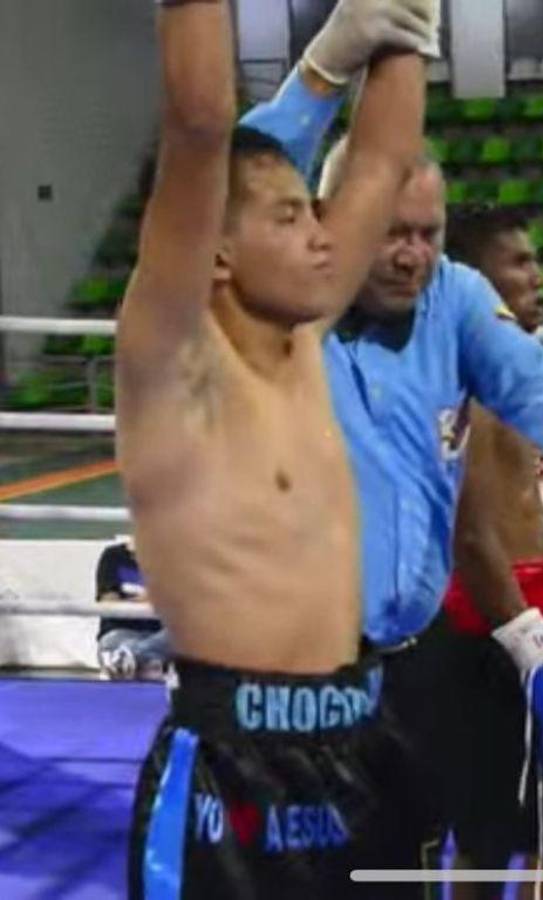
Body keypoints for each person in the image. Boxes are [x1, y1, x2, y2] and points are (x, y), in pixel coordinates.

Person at [244, 68, 543, 878]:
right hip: (288, 673)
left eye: (428, 233)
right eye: (390, 232)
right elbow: (237, 180)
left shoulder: (455, 299)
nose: (412, 255)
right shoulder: (276, 303)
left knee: (408, 863)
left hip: (409, 667)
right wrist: (325, 68)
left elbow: (529, 377)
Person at [116, 1, 438, 896]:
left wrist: (408, 24)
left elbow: (383, 160)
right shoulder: (171, 357)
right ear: (217, 252)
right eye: (292, 216)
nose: (323, 235)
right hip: (230, 775)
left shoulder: (303, 340)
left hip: (361, 746)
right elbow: (199, 123)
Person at [392, 204, 543, 898]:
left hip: (504, 615)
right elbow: (468, 530)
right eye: (520, 262)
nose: (539, 277)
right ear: (477, 281)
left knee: (485, 837)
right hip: (500, 621)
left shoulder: (506, 371)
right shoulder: (469, 378)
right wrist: (535, 645)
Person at [95, 536, 171, 680]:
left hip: (159, 637)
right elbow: (108, 603)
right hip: (120, 634)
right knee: (118, 646)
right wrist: (144, 601)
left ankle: (130, 659)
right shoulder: (113, 556)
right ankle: (143, 662)